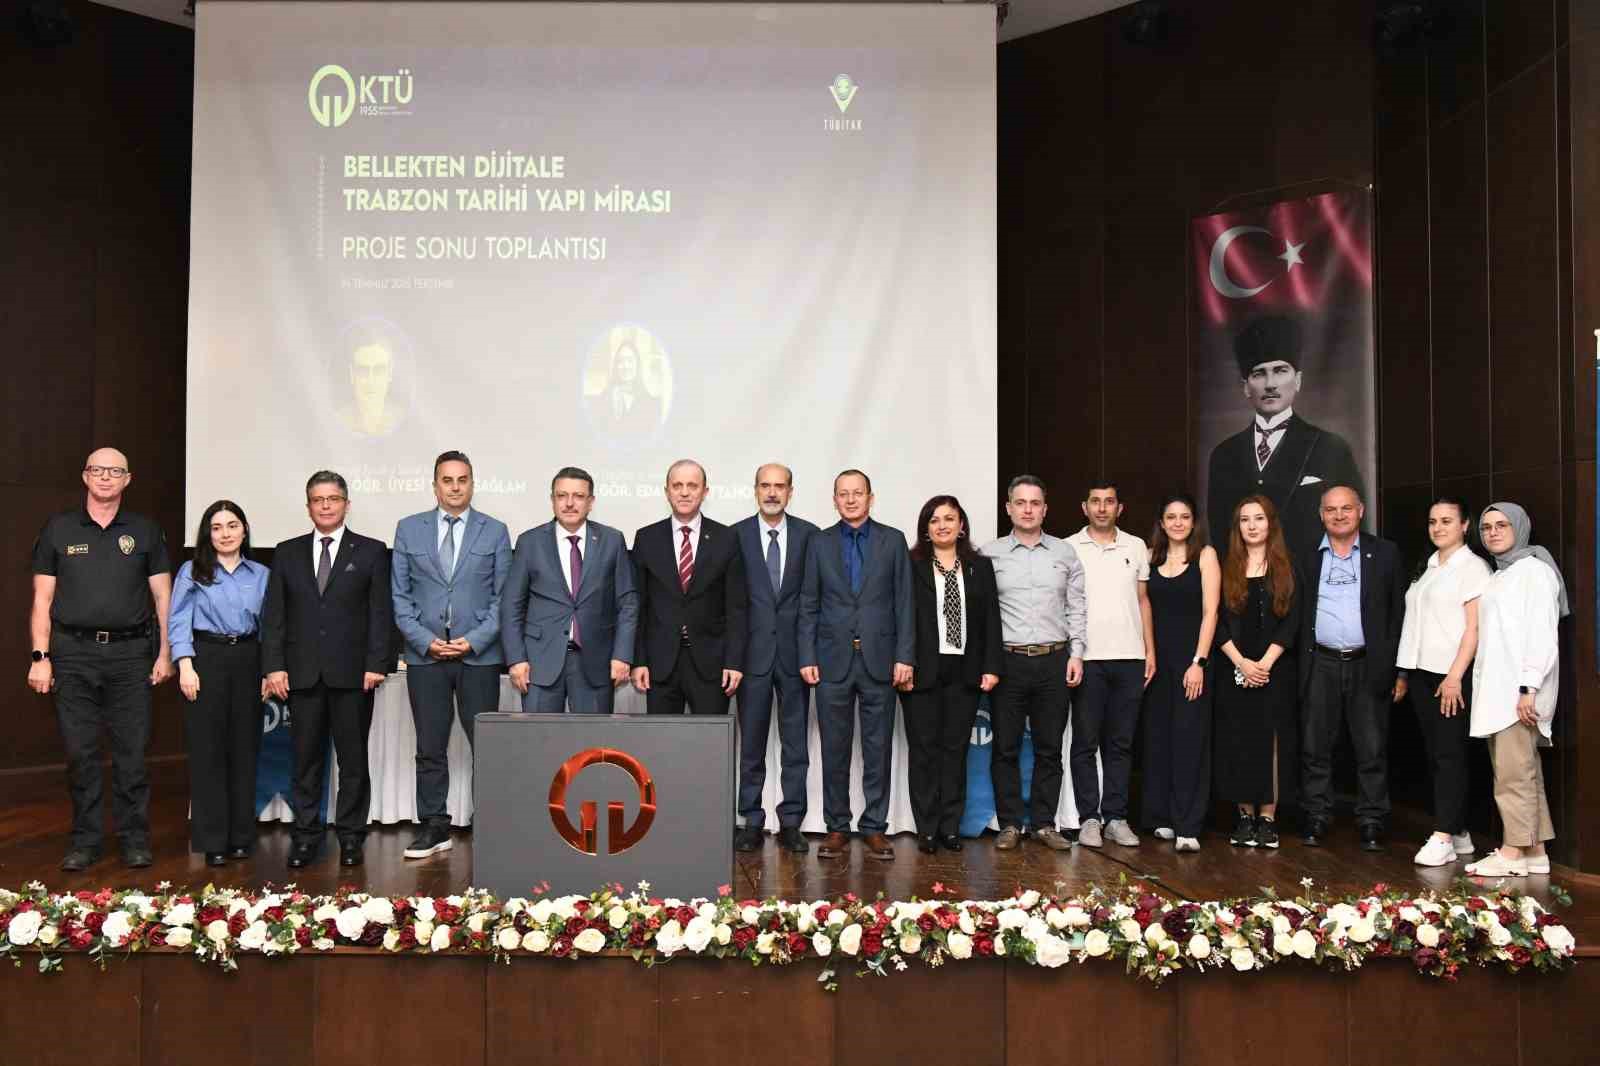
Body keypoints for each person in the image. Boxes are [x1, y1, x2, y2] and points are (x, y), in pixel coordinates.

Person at [28, 448, 174, 871]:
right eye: (97, 470)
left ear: (127, 479)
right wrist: (40, 656)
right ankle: (85, 841)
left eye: (115, 471)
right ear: (85, 476)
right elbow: (42, 599)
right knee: (81, 754)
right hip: (72, 655)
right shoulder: (58, 528)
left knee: (132, 754)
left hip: (131, 656)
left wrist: (165, 652)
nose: (105, 477)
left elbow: (163, 598)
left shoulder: (146, 531)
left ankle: (134, 840)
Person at [262, 471, 393, 868]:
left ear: (346, 504)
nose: (325, 506)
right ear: (308, 507)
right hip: (301, 675)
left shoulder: (371, 551)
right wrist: (274, 667)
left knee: (352, 762)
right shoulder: (287, 552)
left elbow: (380, 613)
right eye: (318, 500)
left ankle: (351, 837)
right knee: (306, 761)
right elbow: (275, 616)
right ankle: (306, 837)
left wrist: (376, 663)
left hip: (354, 676)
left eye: (332, 499)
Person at [391, 451, 511, 860]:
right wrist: (424, 640)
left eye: (462, 479)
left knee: (486, 745)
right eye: (447, 480)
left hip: (478, 657)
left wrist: (474, 640)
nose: (455, 487)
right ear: (435, 485)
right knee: (430, 746)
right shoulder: (409, 529)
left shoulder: (495, 531)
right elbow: (400, 597)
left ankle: (489, 823)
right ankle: (434, 826)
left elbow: (503, 598)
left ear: (472, 484)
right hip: (426, 657)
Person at [798, 470, 914, 862]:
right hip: (831, 662)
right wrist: (807, 656)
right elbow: (808, 603)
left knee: (877, 748)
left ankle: (875, 827)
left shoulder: (893, 541)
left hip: (881, 661)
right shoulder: (819, 542)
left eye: (857, 493)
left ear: (870, 497)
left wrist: (905, 656)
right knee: (834, 748)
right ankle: (836, 827)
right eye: (843, 494)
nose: (850, 500)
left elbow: (904, 603)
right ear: (835, 500)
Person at [1296, 484, 1406, 850]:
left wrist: (1400, 671)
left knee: (1371, 748)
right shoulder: (1306, 555)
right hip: (1320, 662)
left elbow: (1398, 615)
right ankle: (1316, 815)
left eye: (1346, 508)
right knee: (1315, 748)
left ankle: (1372, 820)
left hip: (1368, 664)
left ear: (1360, 511)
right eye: (1331, 509)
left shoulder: (1385, 553)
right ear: (1321, 514)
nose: (1339, 515)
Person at [1205, 314, 1365, 564]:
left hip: (1309, 580)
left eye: (1280, 371)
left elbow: (1353, 528)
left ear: (1297, 380)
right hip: (1243, 581)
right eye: (1259, 374)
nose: (1270, 384)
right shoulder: (1224, 455)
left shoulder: (1329, 447)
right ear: (1246, 386)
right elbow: (1219, 533)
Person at [981, 475, 1085, 852]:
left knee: (1049, 748)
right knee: (1005, 748)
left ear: (1045, 509)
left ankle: (1044, 823)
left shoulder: (1064, 553)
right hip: (1008, 662)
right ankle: (1009, 823)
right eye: (1020, 503)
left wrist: (1077, 653)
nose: (1028, 510)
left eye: (1035, 503)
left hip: (1054, 661)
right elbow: (983, 615)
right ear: (1008, 508)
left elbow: (1077, 607)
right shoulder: (989, 555)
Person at [1464, 502, 1566, 878]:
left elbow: (1542, 635)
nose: (1492, 532)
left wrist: (1529, 687)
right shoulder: (1501, 574)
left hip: (1519, 693)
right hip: (1501, 691)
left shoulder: (1534, 572)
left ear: (1520, 528)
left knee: (1513, 775)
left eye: (1501, 525)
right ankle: (1536, 851)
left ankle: (1512, 852)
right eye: (1487, 527)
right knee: (1524, 770)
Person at [168, 500, 269, 866]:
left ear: (244, 530)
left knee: (244, 749)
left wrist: (268, 670)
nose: (225, 533)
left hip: (248, 659)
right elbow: (178, 620)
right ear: (207, 534)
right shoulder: (192, 571)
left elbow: (271, 626)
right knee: (208, 751)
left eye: (232, 525)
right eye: (216, 527)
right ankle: (212, 840)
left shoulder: (261, 574)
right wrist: (185, 665)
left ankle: (241, 836)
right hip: (205, 659)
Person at [1392, 497, 1492, 867]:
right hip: (1421, 672)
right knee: (1437, 754)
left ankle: (1444, 835)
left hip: (1450, 676)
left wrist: (1454, 677)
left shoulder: (1474, 568)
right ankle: (1459, 830)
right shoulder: (1430, 565)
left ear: (1465, 525)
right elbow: (1415, 624)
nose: (1438, 527)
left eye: (1447, 521)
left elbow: (1474, 629)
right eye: (1433, 521)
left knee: (1450, 756)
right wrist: (1404, 673)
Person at [902, 495, 1001, 854]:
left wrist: (991, 666)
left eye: (949, 518)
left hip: (965, 670)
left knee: (955, 752)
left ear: (961, 525)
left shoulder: (979, 567)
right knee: (924, 751)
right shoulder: (911, 565)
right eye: (934, 520)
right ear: (925, 529)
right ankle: (927, 828)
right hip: (921, 671)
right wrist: (903, 662)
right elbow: (901, 618)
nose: (942, 525)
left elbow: (991, 619)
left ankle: (950, 827)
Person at [732, 464, 818, 854]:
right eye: (765, 486)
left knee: (795, 745)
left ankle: (791, 821)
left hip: (796, 658)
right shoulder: (735, 535)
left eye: (779, 486)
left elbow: (814, 599)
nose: (771, 493)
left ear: (790, 491)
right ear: (755, 490)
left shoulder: (810, 536)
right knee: (750, 744)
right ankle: (751, 819)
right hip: (751, 657)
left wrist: (810, 653)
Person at [503, 467, 637, 713]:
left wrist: (622, 655)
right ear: (552, 500)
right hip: (539, 662)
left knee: (593, 737)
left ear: (591, 502)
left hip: (596, 662)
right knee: (540, 735)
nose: (569, 503)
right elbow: (512, 605)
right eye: (562, 495)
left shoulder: (612, 540)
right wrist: (516, 658)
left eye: (578, 496)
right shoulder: (529, 542)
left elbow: (627, 603)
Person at [1068, 482, 1156, 848]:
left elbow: (1143, 600)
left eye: (1109, 502)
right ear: (1084, 507)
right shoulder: (1069, 547)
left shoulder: (1135, 546)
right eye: (1095, 501)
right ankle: (1089, 819)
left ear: (1120, 508)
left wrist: (1150, 650)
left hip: (1130, 658)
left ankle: (1116, 818)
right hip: (1087, 659)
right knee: (1085, 743)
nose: (1102, 508)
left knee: (1120, 743)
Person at [1214, 496, 1300, 849]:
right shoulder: (1225, 568)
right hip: (1235, 668)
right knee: (1239, 741)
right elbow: (1215, 621)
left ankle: (1267, 818)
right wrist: (1242, 663)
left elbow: (1293, 621)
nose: (1252, 525)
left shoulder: (1287, 567)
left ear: (1271, 523)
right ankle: (1244, 816)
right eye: (1245, 519)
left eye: (1259, 518)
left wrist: (1264, 664)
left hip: (1275, 670)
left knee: (1271, 744)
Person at [631, 460, 747, 714]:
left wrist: (734, 662)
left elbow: (736, 607)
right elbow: (639, 605)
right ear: (667, 491)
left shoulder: (727, 538)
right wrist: (638, 661)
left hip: (712, 663)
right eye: (677, 485)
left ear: (705, 492)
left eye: (692, 486)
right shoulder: (646, 538)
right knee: (661, 736)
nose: (684, 492)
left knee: (711, 738)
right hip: (660, 664)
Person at [1140, 493, 1219, 852]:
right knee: (1158, 737)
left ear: (1193, 521)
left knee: (1189, 739)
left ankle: (1188, 824)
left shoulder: (1205, 555)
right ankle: (1161, 817)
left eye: (1184, 516)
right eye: (1171, 517)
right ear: (1161, 522)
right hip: (1158, 661)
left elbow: (1211, 612)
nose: (1177, 523)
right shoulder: (1150, 557)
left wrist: (1199, 662)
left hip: (1192, 662)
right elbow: (1144, 606)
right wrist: (1149, 653)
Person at [588, 341, 663, 434]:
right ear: (616, 366)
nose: (625, 366)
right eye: (620, 361)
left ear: (637, 365)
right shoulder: (604, 399)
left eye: (630, 361)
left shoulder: (650, 403)